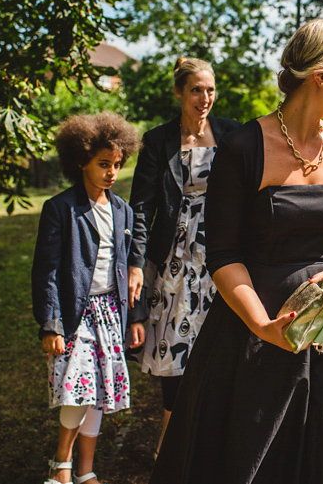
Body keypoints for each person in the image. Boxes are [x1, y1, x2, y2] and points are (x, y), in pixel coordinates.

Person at [148, 18, 323, 484]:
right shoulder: (243, 146)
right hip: (252, 334)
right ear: (321, 75)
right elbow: (223, 253)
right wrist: (262, 327)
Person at [127, 57, 241, 459]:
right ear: (178, 92)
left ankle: (215, 440)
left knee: (221, 345)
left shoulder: (231, 133)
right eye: (196, 90)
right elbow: (140, 206)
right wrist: (136, 261)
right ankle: (169, 443)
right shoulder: (158, 140)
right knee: (175, 345)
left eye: (210, 89)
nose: (205, 98)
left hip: (222, 255)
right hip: (175, 259)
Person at [31, 111, 145, 484]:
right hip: (74, 315)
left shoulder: (122, 211)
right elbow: (46, 270)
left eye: (117, 164)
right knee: (76, 390)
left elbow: (129, 270)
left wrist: (136, 316)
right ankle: (60, 464)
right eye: (103, 164)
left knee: (99, 392)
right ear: (80, 161)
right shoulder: (60, 209)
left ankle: (85, 470)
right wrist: (51, 323)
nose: (112, 172)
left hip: (110, 313)